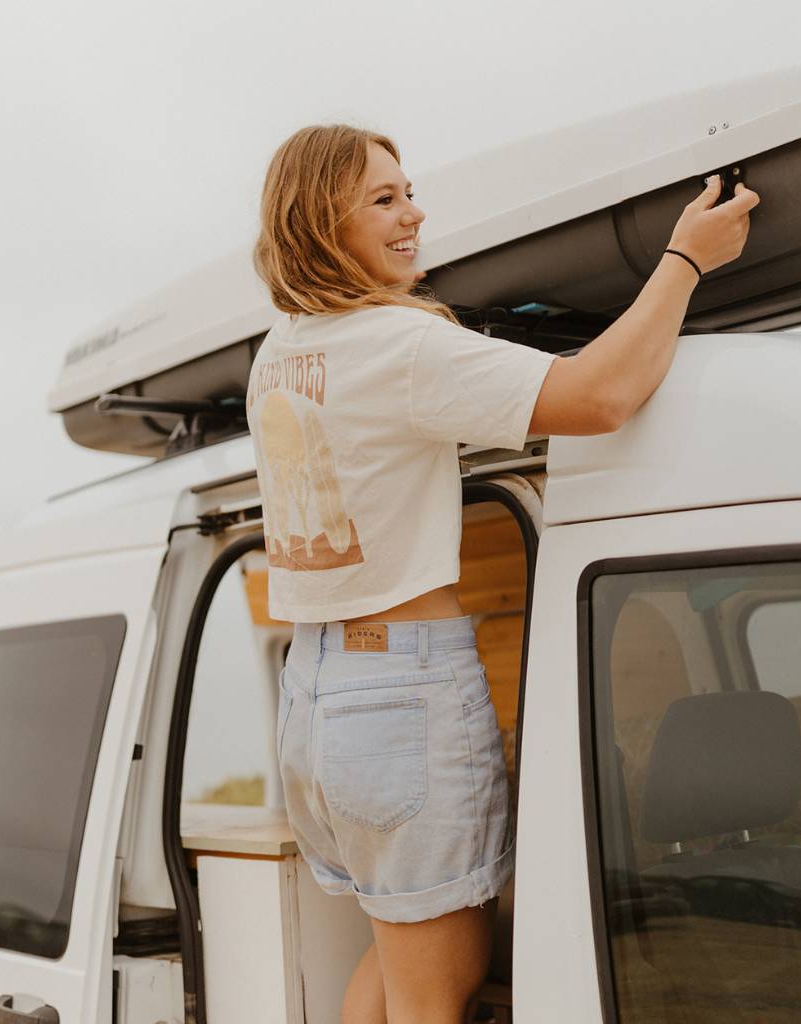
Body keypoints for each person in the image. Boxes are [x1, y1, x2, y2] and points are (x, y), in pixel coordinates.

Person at [245, 124, 759, 1024]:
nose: (415, 212)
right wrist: (684, 258)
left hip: (320, 693)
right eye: (385, 198)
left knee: (399, 957)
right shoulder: (398, 348)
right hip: (402, 689)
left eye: (408, 191)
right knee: (437, 992)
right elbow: (598, 396)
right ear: (323, 215)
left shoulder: (280, 351)